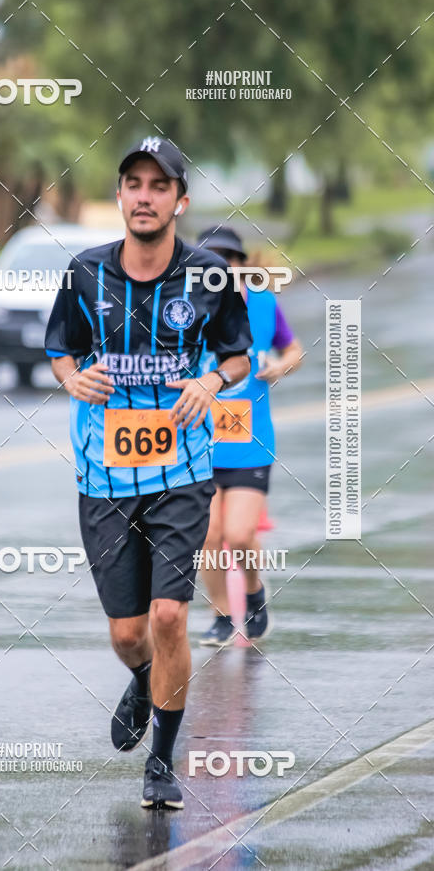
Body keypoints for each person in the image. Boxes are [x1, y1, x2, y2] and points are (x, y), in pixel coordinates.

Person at [44, 138, 252, 809]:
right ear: (119, 196)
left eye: (158, 185)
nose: (143, 195)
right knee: (129, 633)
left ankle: (161, 763)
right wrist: (75, 380)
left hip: (181, 473)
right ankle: (142, 679)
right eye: (132, 183)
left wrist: (212, 381)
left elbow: (239, 357)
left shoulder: (208, 279)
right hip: (103, 478)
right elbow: (62, 354)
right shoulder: (84, 274)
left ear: (179, 201)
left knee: (168, 617)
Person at [196, 226, 303, 647]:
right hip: (198, 445)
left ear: (242, 266)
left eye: (230, 260)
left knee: (239, 535)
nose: (222, 269)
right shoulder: (184, 310)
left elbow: (293, 350)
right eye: (212, 262)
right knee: (208, 535)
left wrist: (281, 367)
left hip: (250, 445)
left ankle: (254, 595)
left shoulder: (262, 304)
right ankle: (222, 616)